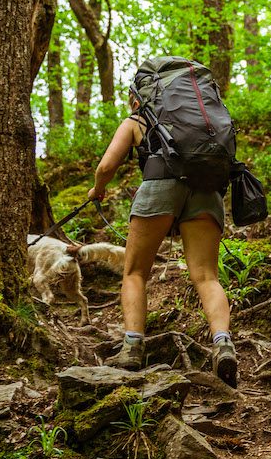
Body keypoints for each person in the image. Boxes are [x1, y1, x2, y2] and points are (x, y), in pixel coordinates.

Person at [88, 91, 238, 386]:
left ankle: (132, 347)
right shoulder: (207, 123)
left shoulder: (137, 120)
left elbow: (106, 167)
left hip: (159, 188)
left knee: (135, 272)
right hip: (207, 192)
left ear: (138, 96)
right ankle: (222, 344)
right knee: (207, 277)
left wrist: (98, 189)